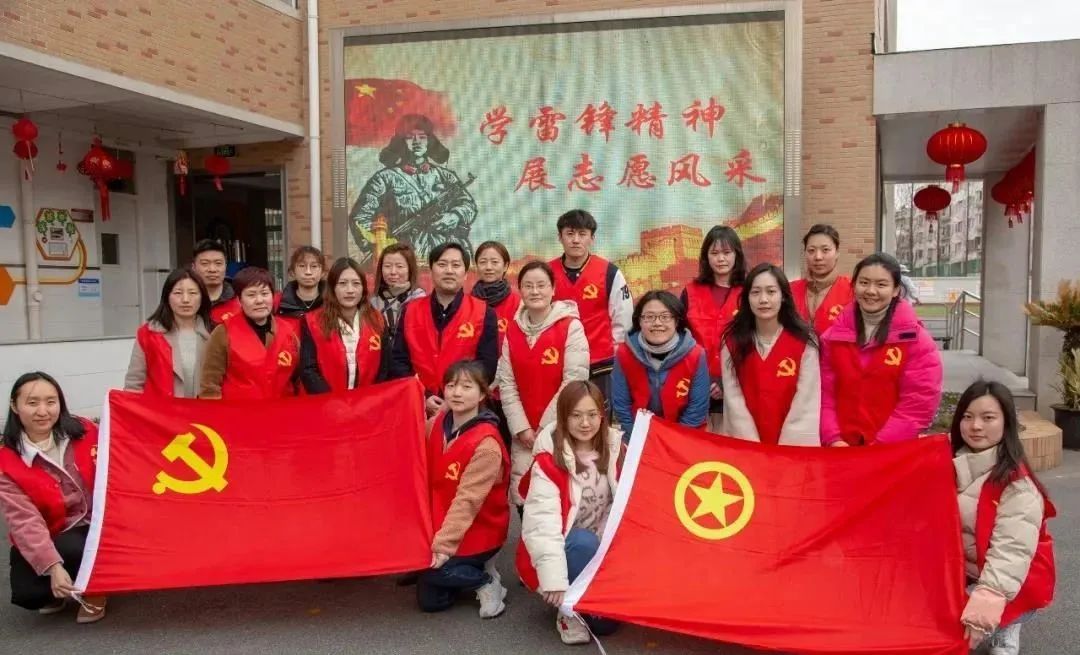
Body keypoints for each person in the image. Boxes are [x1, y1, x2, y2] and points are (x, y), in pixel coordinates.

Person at [952, 380, 1056, 654]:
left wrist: (981, 613)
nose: (976, 426)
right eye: (967, 417)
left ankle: (1008, 626)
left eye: (988, 418)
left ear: (1006, 423)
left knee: (953, 628)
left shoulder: (1018, 487)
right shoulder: (948, 462)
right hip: (965, 573)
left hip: (1012, 582)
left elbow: (1010, 555)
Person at [517, 381, 621, 644]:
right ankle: (568, 612)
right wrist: (554, 580)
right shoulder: (548, 461)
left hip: (603, 548)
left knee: (606, 626)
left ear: (602, 415)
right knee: (583, 542)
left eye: (592, 414)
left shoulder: (615, 449)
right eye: (576, 415)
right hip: (568, 547)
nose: (585, 423)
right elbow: (542, 525)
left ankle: (593, 596)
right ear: (564, 416)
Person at [0, 372, 106, 623]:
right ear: (15, 406)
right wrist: (53, 567)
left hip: (96, 526)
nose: (43, 411)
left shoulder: (86, 431)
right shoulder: (7, 461)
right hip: (52, 533)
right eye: (32, 403)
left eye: (51, 401)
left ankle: (97, 589)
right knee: (28, 594)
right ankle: (65, 583)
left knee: (75, 548)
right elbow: (24, 521)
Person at [820, 253, 942, 446]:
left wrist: (878, 447)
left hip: (890, 450)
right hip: (840, 449)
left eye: (881, 284)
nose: (871, 291)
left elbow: (918, 403)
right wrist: (833, 438)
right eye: (864, 282)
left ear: (896, 290)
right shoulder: (831, 338)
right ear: (854, 286)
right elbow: (824, 394)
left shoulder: (917, 342)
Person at [496, 261, 590, 508]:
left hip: (561, 429)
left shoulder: (571, 327)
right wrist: (522, 428)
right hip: (524, 434)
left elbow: (574, 381)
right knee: (525, 496)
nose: (535, 291)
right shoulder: (513, 331)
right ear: (520, 290)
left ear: (553, 289)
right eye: (528, 286)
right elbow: (507, 383)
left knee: (560, 500)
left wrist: (545, 428)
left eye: (541, 285)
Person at [420, 360, 510, 618]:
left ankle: (486, 581)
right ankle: (462, 573)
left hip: (479, 529)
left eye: (466, 387)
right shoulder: (437, 423)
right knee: (431, 602)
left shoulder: (486, 445)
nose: (456, 393)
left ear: (482, 394)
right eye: (451, 386)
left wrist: (442, 546)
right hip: (442, 521)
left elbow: (467, 501)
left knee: (432, 569)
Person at [349, 114, 478, 264]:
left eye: (422, 137)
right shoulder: (384, 179)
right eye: (410, 137)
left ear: (429, 141)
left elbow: (468, 204)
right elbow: (359, 218)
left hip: (448, 255)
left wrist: (455, 216)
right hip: (404, 259)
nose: (417, 142)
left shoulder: (445, 176)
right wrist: (381, 244)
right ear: (401, 142)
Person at [389, 242, 499, 417]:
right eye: (442, 264)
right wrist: (423, 396)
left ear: (465, 273)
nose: (449, 271)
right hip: (418, 407)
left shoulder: (484, 312)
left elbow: (487, 367)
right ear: (431, 271)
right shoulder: (410, 310)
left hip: (466, 411)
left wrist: (454, 397)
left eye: (456, 265)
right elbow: (398, 362)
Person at [719, 264, 820, 445]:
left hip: (791, 447)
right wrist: (753, 447)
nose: (763, 299)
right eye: (756, 292)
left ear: (783, 296)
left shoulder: (804, 341)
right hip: (746, 443)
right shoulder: (732, 342)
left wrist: (785, 451)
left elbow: (806, 401)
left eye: (771, 292)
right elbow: (733, 399)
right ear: (747, 298)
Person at [548, 209, 633, 402]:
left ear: (592, 238)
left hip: (601, 364)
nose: (575, 240)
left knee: (599, 415)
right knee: (562, 414)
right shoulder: (547, 273)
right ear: (560, 237)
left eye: (582, 234)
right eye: (570, 234)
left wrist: (616, 356)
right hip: (557, 362)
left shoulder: (610, 272)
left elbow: (623, 319)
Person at [611, 290, 710, 434]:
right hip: (637, 435)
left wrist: (671, 440)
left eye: (665, 317)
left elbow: (697, 409)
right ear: (639, 321)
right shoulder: (624, 354)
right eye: (649, 317)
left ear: (677, 321)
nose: (657, 323)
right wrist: (638, 439)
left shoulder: (696, 355)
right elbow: (621, 406)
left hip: (684, 435)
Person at [199, 267, 300, 400]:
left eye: (265, 293)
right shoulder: (223, 332)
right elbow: (210, 385)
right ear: (239, 300)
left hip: (281, 409)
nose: (259, 300)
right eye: (251, 295)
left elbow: (298, 378)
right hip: (238, 410)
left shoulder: (288, 331)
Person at [681, 225, 746, 431]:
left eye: (727, 252)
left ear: (736, 255)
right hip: (695, 388)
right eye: (714, 253)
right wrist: (703, 380)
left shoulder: (750, 292)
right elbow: (680, 340)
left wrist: (727, 383)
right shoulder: (690, 292)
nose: (721, 259)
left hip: (739, 390)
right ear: (705, 257)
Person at [299, 257, 386, 393]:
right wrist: (334, 401)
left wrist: (369, 398)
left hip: (367, 400)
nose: (350, 290)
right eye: (343, 283)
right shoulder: (313, 321)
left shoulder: (377, 320)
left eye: (356, 284)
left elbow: (384, 366)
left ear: (363, 288)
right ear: (333, 287)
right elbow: (308, 370)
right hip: (327, 401)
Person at [124, 268, 213, 397]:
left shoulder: (215, 333)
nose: (185, 299)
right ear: (167, 297)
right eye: (178, 293)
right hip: (160, 409)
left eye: (193, 293)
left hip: (203, 409)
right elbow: (134, 384)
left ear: (202, 298)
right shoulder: (148, 334)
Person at [789, 224, 854, 335]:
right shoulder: (789, 290)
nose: (818, 257)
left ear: (837, 252)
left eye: (825, 250)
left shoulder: (852, 289)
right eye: (811, 250)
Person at [371, 243, 426, 352]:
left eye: (399, 266)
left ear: (410, 269)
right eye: (387, 266)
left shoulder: (420, 301)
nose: (393, 272)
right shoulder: (373, 302)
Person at [472, 241, 521, 351]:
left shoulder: (518, 303)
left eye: (494, 262)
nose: (488, 267)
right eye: (483, 262)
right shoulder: (466, 303)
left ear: (505, 266)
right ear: (477, 266)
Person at [276, 246, 325, 329]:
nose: (308, 272)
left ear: (323, 272)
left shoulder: (333, 302)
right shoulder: (279, 303)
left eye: (314, 266)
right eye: (302, 266)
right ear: (292, 272)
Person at [191, 239, 240, 324]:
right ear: (193, 267)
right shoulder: (185, 299)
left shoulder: (240, 297)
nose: (212, 269)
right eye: (205, 263)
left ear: (226, 266)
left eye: (218, 263)